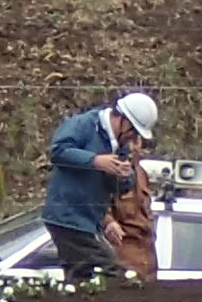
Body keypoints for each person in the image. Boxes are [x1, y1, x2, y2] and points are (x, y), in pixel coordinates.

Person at [42, 91, 159, 283]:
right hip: (67, 217)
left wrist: (123, 178)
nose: (134, 139)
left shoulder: (121, 148)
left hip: (90, 222)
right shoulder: (85, 125)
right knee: (109, 272)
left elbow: (121, 189)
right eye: (134, 132)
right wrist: (95, 161)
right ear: (124, 121)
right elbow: (58, 151)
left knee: (83, 278)